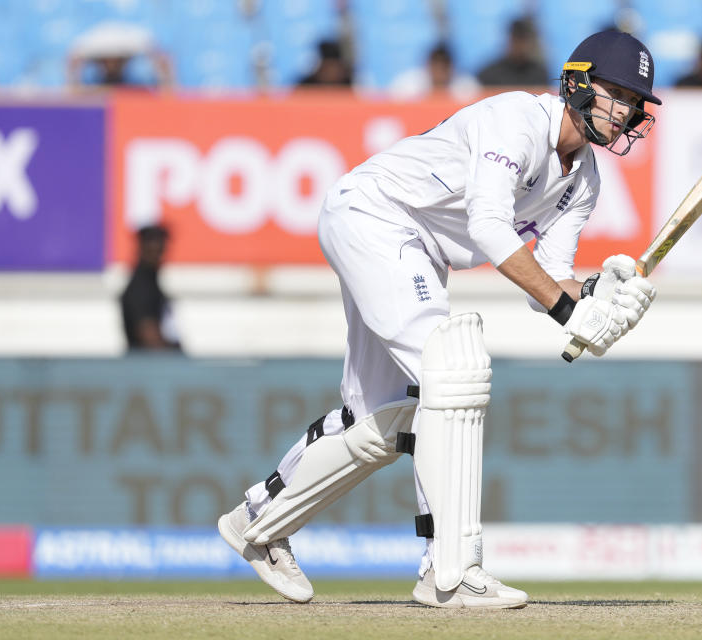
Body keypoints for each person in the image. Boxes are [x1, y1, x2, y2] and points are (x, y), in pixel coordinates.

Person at [218, 29, 659, 609]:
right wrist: (568, 308)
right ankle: (450, 571)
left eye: (633, 104)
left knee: (383, 418)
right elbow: (490, 229)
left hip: (416, 248)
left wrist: (600, 292)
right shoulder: (517, 121)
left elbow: (549, 278)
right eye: (615, 94)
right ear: (577, 81)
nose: (624, 113)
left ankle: (260, 524)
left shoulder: (585, 182)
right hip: (376, 215)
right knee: (452, 372)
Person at [120, 225, 181, 352]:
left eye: (161, 250)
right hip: (147, 366)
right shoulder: (141, 287)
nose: (160, 256)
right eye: (154, 251)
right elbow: (151, 340)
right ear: (142, 249)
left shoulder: (151, 283)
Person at [389, 42, 480, 101]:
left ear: (451, 67)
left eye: (444, 66)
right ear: (428, 65)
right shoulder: (408, 85)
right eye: (436, 65)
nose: (439, 71)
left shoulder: (465, 87)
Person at [477, 17, 549, 86]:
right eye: (515, 40)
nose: (519, 46)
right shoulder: (489, 73)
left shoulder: (539, 74)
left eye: (523, 40)